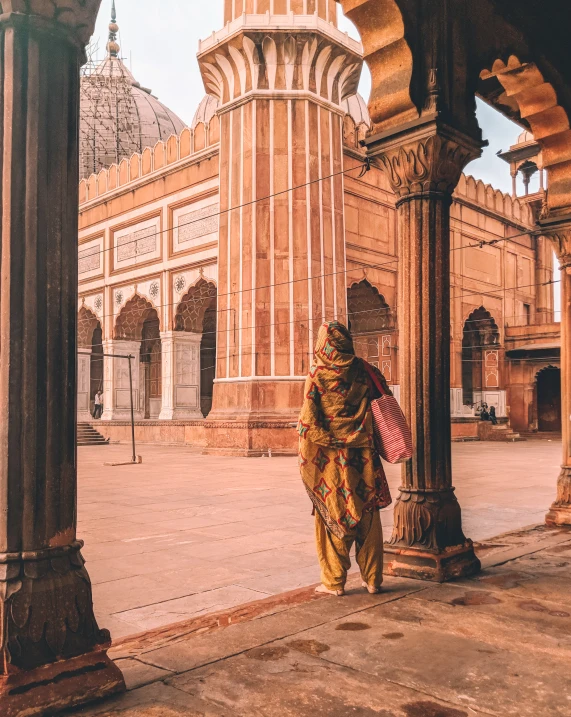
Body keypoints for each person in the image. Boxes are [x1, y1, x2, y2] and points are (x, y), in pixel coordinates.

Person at [298, 320, 392, 597]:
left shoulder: (317, 373)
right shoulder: (365, 370)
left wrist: (325, 441)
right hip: (364, 457)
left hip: (330, 463)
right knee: (368, 513)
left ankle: (334, 582)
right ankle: (373, 579)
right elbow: (384, 394)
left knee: (332, 517)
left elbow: (308, 423)